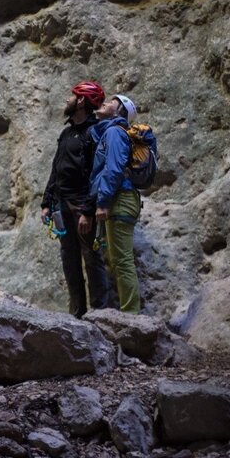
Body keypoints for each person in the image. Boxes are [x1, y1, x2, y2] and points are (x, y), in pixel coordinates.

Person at [41, 81, 109, 318]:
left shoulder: (95, 133)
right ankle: (76, 314)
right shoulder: (66, 133)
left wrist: (89, 210)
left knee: (92, 259)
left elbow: (97, 173)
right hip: (61, 205)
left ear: (81, 101)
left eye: (72, 96)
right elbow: (56, 168)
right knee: (69, 259)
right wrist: (46, 203)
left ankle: (102, 315)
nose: (67, 100)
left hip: (81, 206)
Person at [90, 94, 142, 313]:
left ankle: (131, 316)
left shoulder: (114, 132)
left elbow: (113, 169)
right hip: (121, 199)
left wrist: (102, 202)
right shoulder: (111, 132)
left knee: (122, 261)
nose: (106, 102)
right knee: (116, 258)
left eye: (112, 101)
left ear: (120, 111)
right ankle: (128, 312)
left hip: (119, 199)